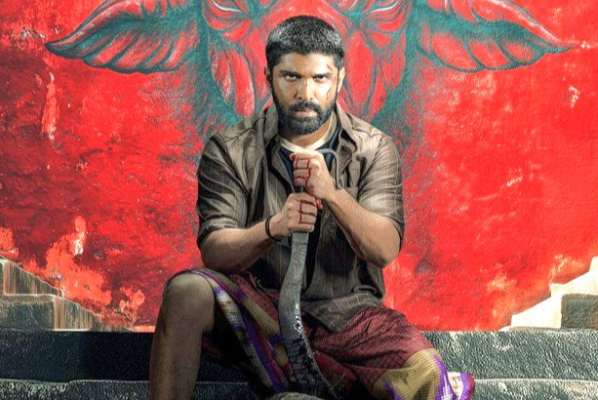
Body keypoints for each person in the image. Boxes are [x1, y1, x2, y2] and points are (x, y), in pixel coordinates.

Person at [149, 15, 474, 400]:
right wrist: (273, 227)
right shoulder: (231, 149)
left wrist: (333, 194)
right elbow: (214, 251)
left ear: (339, 79)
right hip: (261, 313)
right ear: (269, 76)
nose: (306, 92)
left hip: (352, 321)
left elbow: (384, 247)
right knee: (185, 292)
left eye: (320, 78)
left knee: (425, 371)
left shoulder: (373, 149)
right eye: (291, 77)